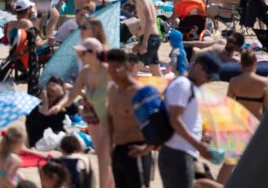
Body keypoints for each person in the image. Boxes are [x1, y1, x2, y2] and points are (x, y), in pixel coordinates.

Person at [50, 37, 112, 188]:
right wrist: (60, 105)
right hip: (91, 117)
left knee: (105, 157)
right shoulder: (85, 72)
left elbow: (123, 74)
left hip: (107, 118)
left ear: (94, 53)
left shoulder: (108, 69)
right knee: (102, 156)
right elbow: (72, 95)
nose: (80, 57)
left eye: (83, 54)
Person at [158, 53, 223, 188]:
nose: (208, 81)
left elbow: (184, 118)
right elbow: (175, 120)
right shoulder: (183, 85)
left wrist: (200, 137)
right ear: (198, 67)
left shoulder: (188, 86)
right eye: (209, 77)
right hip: (177, 154)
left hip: (180, 153)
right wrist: (199, 146)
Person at [106, 49, 154, 188]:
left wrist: (147, 147)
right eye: (109, 69)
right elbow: (110, 119)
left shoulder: (140, 92)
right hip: (118, 152)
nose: (112, 73)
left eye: (116, 68)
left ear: (127, 66)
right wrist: (109, 147)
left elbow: (157, 123)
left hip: (137, 150)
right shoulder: (113, 91)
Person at [121, 0, 160, 76]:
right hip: (152, 37)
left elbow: (150, 19)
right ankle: (167, 91)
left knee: (133, 67)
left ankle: (129, 91)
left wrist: (145, 42)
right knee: (155, 70)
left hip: (150, 38)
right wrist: (141, 41)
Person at [226, 49, 268, 119]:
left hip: (241, 120)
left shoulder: (233, 81)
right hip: (256, 121)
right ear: (255, 62)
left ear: (241, 63)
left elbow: (228, 104)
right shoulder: (265, 82)